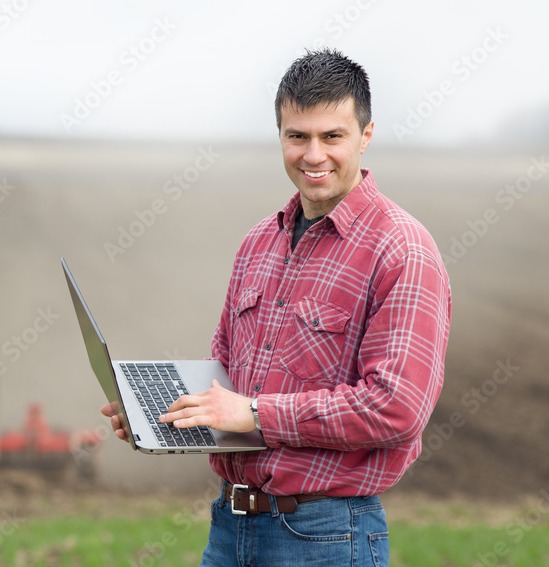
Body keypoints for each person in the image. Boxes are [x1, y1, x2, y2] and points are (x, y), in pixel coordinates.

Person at [102, 48, 451, 566]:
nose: (313, 155)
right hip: (229, 530)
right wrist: (164, 418)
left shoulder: (400, 250)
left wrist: (255, 412)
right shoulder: (257, 245)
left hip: (326, 537)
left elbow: (395, 409)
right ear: (281, 136)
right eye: (297, 136)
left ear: (366, 135)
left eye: (332, 136)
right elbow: (226, 383)